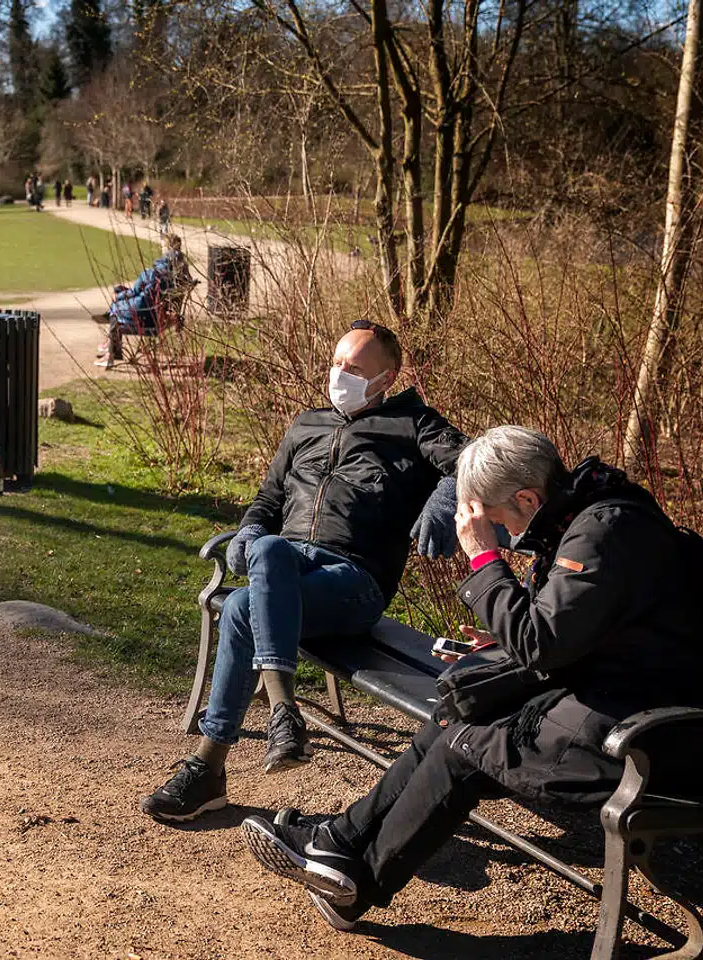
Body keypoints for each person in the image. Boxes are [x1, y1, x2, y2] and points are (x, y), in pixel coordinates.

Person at [240, 426, 703, 932]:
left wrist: (483, 559)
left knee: (465, 750)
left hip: (659, 737)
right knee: (455, 712)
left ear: (527, 496)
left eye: (496, 519)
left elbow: (543, 641)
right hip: (625, 699)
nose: (500, 532)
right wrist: (500, 644)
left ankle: (356, 885)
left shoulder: (603, 533)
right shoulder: (586, 518)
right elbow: (586, 627)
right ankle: (340, 843)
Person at [140, 320, 472, 818]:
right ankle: (281, 717)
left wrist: (447, 497)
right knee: (260, 568)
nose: (340, 374)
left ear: (386, 379)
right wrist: (250, 532)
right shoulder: (306, 424)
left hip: (354, 581)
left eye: (355, 368)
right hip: (284, 567)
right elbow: (269, 500)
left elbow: (475, 459)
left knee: (238, 604)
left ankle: (215, 763)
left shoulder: (414, 425)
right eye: (336, 363)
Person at [93, 234, 191, 368]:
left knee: (116, 307)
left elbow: (135, 292)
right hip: (157, 313)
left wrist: (119, 296)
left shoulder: (154, 272)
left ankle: (111, 354)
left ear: (167, 249)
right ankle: (110, 344)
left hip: (147, 316)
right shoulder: (177, 272)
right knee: (119, 300)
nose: (160, 248)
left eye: (162, 246)